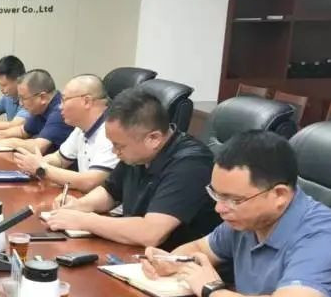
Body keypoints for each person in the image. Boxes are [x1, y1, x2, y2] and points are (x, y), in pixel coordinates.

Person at [141, 131, 331, 297]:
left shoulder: (324, 237)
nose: (220, 208)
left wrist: (211, 289)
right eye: (216, 194)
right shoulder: (246, 219)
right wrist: (171, 262)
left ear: (279, 195)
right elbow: (199, 249)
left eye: (234, 199)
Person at [44, 87, 220, 249]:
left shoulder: (191, 164)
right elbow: (110, 192)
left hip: (178, 262)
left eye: (119, 146)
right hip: (136, 254)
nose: (115, 152)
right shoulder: (138, 152)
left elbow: (151, 233)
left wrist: (84, 220)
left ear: (153, 138)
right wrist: (80, 205)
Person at [13, 74, 118, 197]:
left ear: (86, 101)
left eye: (64, 100)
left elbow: (90, 182)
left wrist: (42, 169)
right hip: (84, 200)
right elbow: (60, 159)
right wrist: (35, 164)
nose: (60, 106)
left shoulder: (111, 131)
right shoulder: (81, 128)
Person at [0, 69, 73, 153]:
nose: (20, 103)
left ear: (42, 97)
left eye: (23, 98)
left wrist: (8, 142)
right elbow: (23, 131)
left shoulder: (60, 111)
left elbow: (38, 147)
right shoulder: (40, 108)